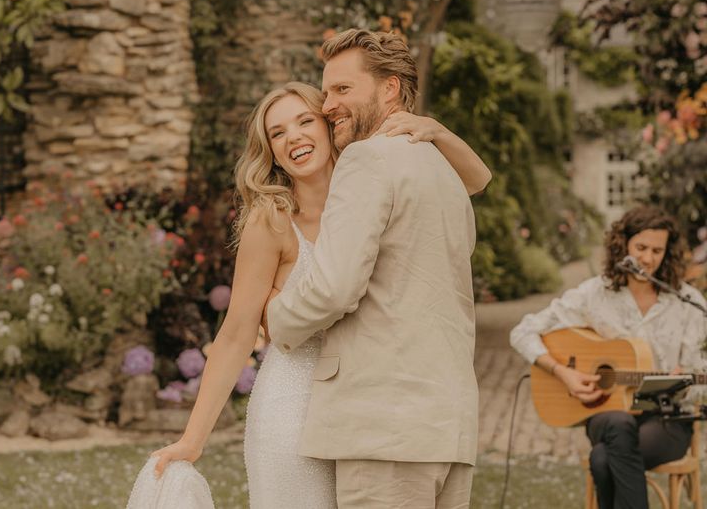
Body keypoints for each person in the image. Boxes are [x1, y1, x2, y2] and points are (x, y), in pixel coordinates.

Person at [149, 55, 491, 506]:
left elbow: (475, 179)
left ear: (328, 125)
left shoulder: (374, 184)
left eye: (305, 120)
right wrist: (193, 440)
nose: (293, 137)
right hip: (293, 409)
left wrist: (436, 129)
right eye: (277, 133)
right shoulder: (270, 221)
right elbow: (235, 335)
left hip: (369, 412)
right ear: (268, 149)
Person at [266, 29, 483, 509]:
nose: (328, 105)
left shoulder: (365, 160)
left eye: (343, 89)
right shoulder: (446, 171)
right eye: (326, 92)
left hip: (384, 429)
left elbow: (336, 288)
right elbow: (479, 179)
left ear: (389, 89)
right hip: (448, 426)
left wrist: (277, 319)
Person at [510, 205, 707, 509]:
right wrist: (564, 373)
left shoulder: (687, 301)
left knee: (602, 459)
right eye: (640, 247)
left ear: (667, 252)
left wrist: (682, 381)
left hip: (666, 418)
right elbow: (522, 332)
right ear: (623, 245)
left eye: (657, 250)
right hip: (607, 412)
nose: (647, 258)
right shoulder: (595, 294)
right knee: (617, 423)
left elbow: (699, 383)